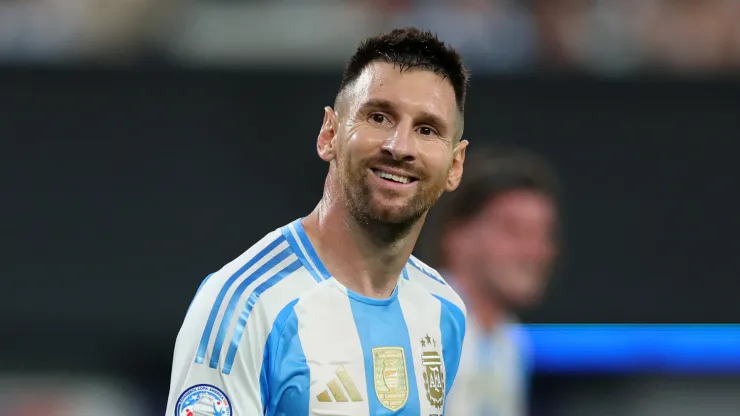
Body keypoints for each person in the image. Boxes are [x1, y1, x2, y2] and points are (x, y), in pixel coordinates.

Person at [166, 28, 470, 416]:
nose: (400, 147)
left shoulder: (444, 310)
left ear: (455, 165)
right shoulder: (245, 305)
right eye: (379, 117)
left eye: (427, 129)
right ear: (330, 134)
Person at [435, 145, 560, 416]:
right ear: (458, 237)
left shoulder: (511, 342)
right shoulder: (420, 327)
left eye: (544, 235)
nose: (535, 252)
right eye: (513, 230)